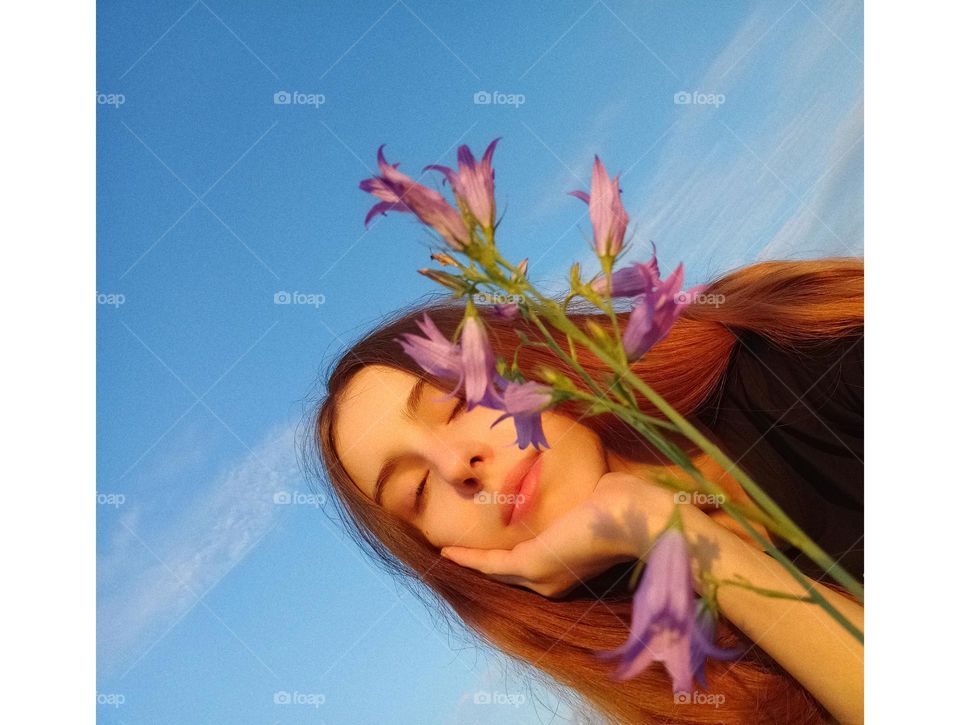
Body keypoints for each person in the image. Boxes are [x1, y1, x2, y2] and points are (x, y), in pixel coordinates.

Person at [302, 257, 864, 724]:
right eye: (418, 490)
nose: (457, 465)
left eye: (458, 401)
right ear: (448, 559)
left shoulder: (796, 350)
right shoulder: (674, 682)